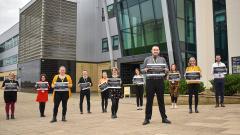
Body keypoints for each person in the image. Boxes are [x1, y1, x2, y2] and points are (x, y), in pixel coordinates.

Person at [142, 46, 171, 125]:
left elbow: (167, 70)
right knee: (149, 101)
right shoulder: (147, 59)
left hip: (159, 81)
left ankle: (164, 118)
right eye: (154, 50)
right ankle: (147, 118)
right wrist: (145, 70)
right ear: (151, 51)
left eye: (157, 50)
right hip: (150, 81)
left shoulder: (163, 59)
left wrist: (166, 70)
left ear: (159, 51)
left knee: (161, 100)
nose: (155, 51)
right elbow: (142, 70)